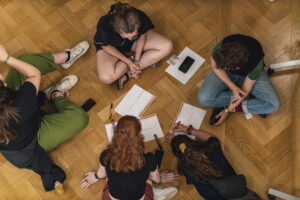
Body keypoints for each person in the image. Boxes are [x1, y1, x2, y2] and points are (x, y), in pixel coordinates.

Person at [0, 41, 90, 193]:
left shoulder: (17, 107)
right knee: (80, 118)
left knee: (25, 62)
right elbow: (34, 73)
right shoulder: (19, 106)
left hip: (17, 124)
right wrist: (7, 58)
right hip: (34, 139)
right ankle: (55, 95)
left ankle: (66, 58)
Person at [80, 116, 178, 200]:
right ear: (139, 136)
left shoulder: (106, 155)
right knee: (147, 177)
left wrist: (96, 177)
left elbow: (102, 174)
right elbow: (155, 178)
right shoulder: (149, 159)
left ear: (116, 134)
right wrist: (162, 179)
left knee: (109, 177)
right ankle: (154, 193)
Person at [197, 34, 280, 125]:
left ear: (236, 68)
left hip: (250, 75)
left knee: (274, 105)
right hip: (231, 71)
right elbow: (215, 67)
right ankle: (249, 101)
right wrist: (233, 87)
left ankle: (234, 106)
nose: (223, 69)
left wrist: (228, 110)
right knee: (203, 99)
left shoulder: (256, 61)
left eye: (225, 68)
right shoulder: (221, 48)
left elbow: (245, 90)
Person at [166, 123, 261, 200]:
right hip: (241, 193)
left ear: (178, 156)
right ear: (193, 141)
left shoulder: (188, 171)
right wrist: (188, 130)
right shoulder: (211, 149)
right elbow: (212, 138)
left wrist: (174, 143)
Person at [94, 2, 173, 90]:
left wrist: (136, 61)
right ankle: (143, 59)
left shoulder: (139, 16)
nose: (131, 38)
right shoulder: (105, 25)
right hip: (111, 47)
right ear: (118, 31)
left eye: (134, 35)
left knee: (167, 46)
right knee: (106, 78)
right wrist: (128, 62)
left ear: (137, 25)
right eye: (127, 36)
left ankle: (128, 72)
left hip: (133, 45)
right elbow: (106, 46)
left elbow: (142, 37)